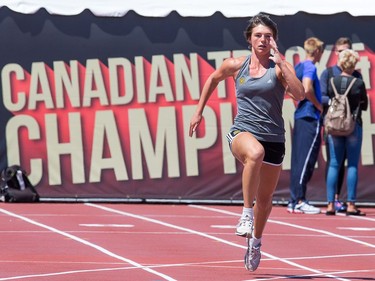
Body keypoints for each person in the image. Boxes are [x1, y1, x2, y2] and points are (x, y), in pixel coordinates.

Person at [189, 13, 304, 271]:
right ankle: (245, 214)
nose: (263, 40)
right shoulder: (235, 64)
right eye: (258, 36)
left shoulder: (280, 68)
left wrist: (282, 60)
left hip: (274, 137)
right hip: (243, 131)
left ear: (273, 40)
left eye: (268, 36)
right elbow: (212, 79)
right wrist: (199, 111)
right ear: (250, 39)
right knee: (255, 153)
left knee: (266, 200)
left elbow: (300, 94)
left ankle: (256, 242)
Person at [320, 37, 363, 213]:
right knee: (350, 164)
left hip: (336, 125)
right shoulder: (355, 79)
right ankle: (350, 203)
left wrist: (335, 103)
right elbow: (364, 104)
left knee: (335, 164)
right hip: (351, 124)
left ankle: (331, 203)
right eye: (340, 51)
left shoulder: (336, 79)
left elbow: (323, 96)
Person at [287, 37, 324, 214]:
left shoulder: (299, 66)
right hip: (310, 116)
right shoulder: (309, 66)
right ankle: (300, 200)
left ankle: (294, 200)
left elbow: (291, 90)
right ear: (317, 51)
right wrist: (318, 106)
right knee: (306, 160)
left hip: (301, 115)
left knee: (298, 160)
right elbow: (307, 88)